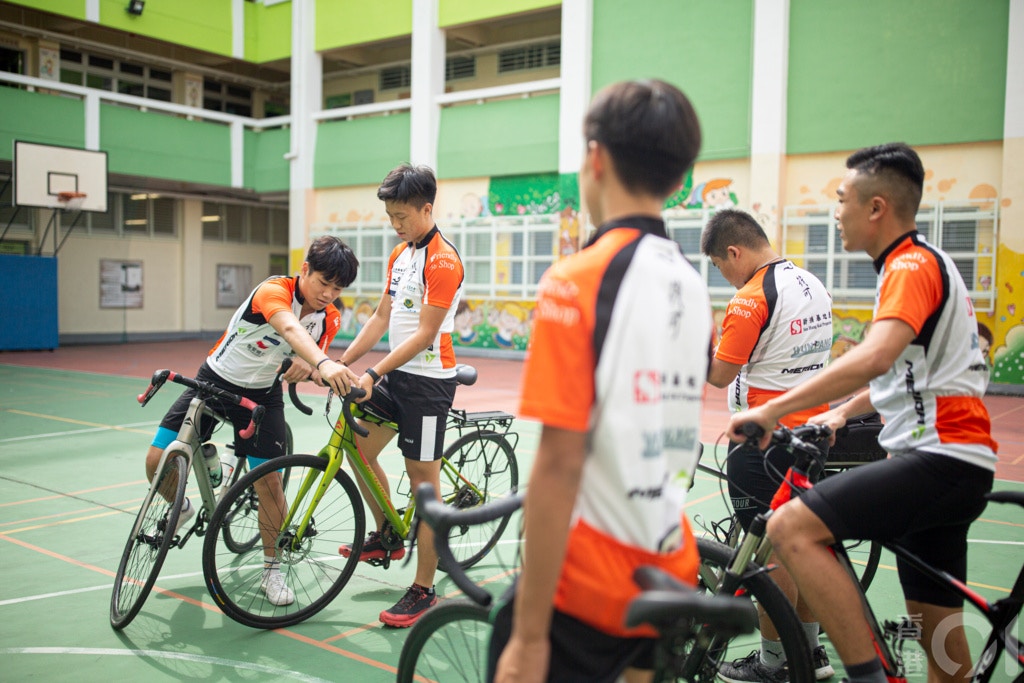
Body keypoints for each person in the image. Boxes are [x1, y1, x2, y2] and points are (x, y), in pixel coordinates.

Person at [725, 142, 997, 683]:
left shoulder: (910, 265)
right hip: (954, 462)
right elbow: (903, 374)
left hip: (938, 457)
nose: (836, 212)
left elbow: (875, 357)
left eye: (841, 198)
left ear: (876, 207)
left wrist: (774, 409)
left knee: (791, 527)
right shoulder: (927, 262)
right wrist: (841, 413)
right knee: (940, 643)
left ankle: (863, 673)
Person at [490, 79, 711, 683]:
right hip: (668, 562)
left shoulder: (576, 279)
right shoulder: (692, 283)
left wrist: (529, 639)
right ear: (679, 175)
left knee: (507, 644)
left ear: (596, 157)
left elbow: (559, 464)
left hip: (591, 584)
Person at [145, 235, 360, 606]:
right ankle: (182, 508)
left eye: (338, 289)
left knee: (270, 486)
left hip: (262, 395)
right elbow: (289, 329)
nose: (329, 294)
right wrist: (321, 363)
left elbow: (309, 359)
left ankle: (272, 571)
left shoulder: (330, 318)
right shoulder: (273, 290)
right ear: (305, 270)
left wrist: (310, 367)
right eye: (324, 283)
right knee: (155, 462)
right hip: (214, 381)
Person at [701, 209, 835, 682]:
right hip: (811, 436)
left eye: (720, 266)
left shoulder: (750, 298)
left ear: (734, 252)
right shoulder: (812, 283)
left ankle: (775, 661)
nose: (724, 276)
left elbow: (720, 375)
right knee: (806, 547)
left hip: (762, 442)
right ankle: (811, 653)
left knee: (768, 556)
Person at [335, 163, 465, 628]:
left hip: (428, 384)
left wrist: (373, 371)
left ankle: (424, 589)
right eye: (390, 216)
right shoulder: (400, 255)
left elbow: (426, 334)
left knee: (423, 486)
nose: (395, 224)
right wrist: (339, 362)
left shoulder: (443, 261)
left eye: (402, 216)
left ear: (426, 209)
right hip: (396, 375)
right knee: (353, 444)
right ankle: (388, 533)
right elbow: (380, 318)